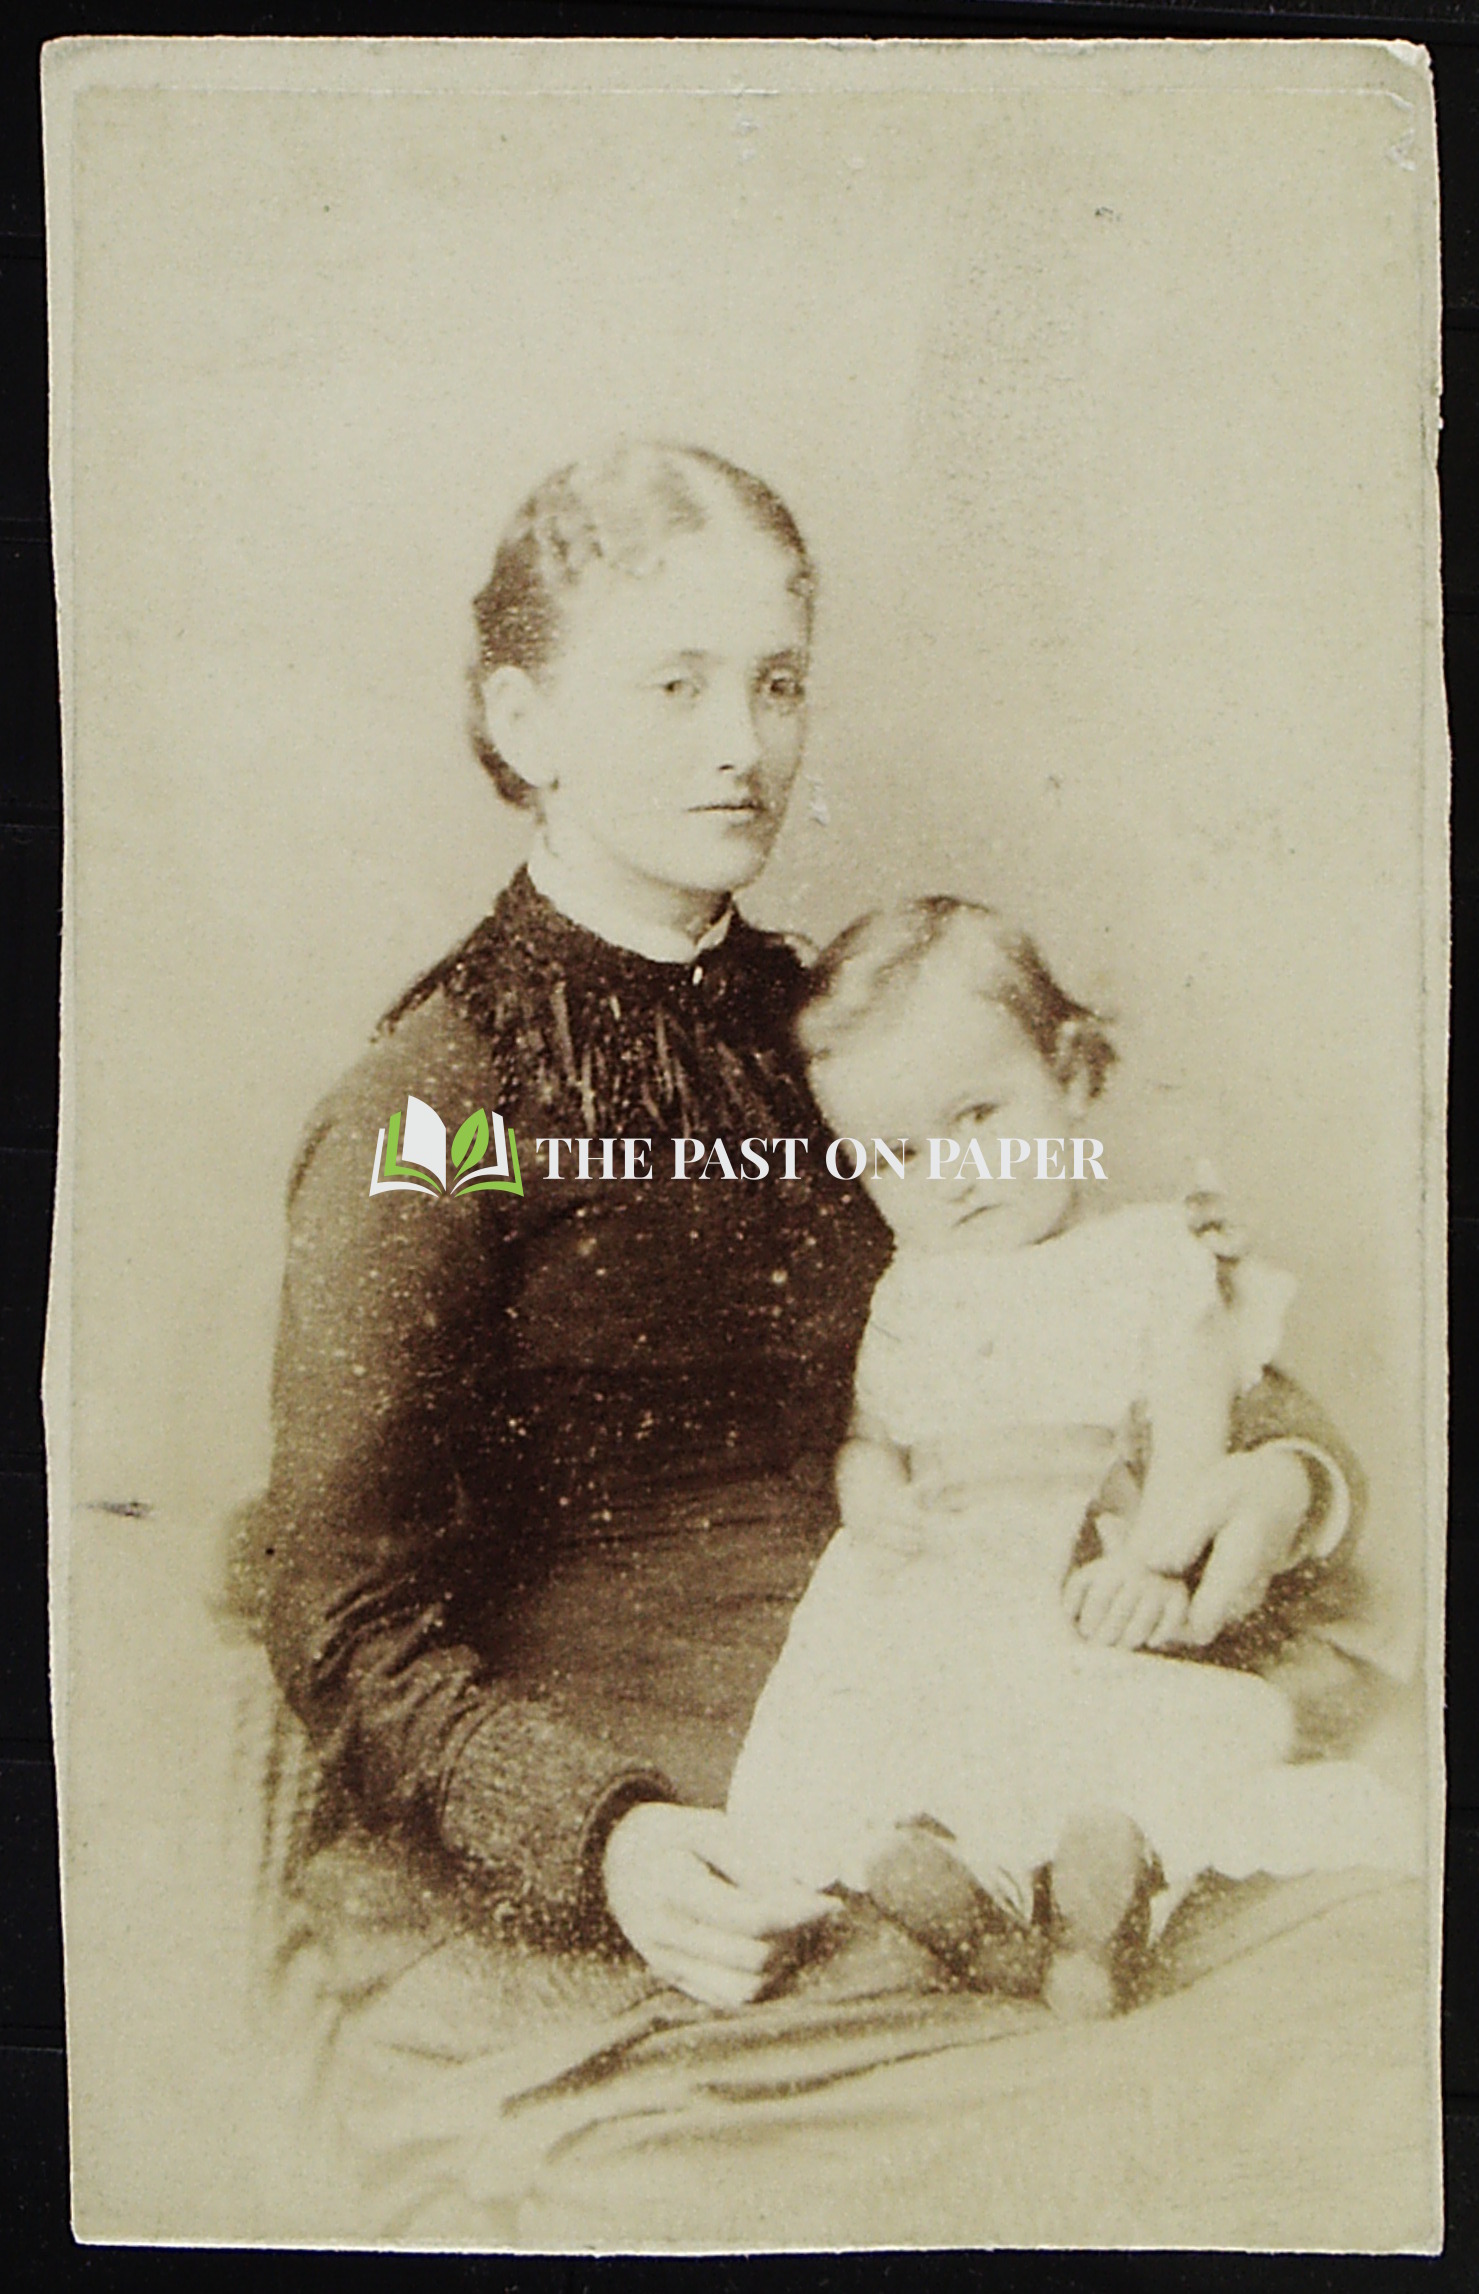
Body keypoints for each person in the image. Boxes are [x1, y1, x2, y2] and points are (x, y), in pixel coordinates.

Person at [241, 440, 1389, 2233]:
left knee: (1365, 2049)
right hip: (655, 1842)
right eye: (674, 681)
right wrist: (603, 1833)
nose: (742, 740)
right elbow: (340, 1599)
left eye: (774, 680)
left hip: (1010, 1728)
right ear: (522, 716)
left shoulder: (841, 1023)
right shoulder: (436, 1099)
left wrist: (1276, 1483)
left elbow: (1109, 1292)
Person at [725, 899, 1419, 2016]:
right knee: (915, 1736)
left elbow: (1194, 1427)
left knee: (1124, 1724)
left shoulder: (1146, 1257)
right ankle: (981, 1900)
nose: (948, 1175)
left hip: (1076, 1563)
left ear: (1074, 1079)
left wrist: (1152, 1554)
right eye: (897, 1152)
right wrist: (874, 1490)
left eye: (978, 1115)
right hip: (944, 1585)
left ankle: (1112, 1890)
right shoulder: (911, 1288)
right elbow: (873, 1429)